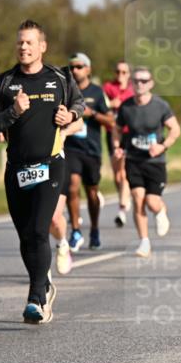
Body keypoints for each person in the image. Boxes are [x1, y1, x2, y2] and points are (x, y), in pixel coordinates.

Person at [0, 19, 84, 324]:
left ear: (42, 46)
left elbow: (79, 105)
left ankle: (35, 296)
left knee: (40, 230)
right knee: (26, 237)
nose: (23, 47)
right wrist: (13, 111)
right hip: (16, 170)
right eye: (20, 42)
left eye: (29, 42)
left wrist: (71, 115)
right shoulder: (4, 82)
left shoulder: (59, 78)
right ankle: (45, 286)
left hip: (50, 165)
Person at [113, 66, 180, 257]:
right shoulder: (126, 107)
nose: (139, 84)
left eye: (144, 81)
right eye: (136, 81)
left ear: (151, 83)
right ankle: (144, 242)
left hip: (155, 161)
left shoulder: (160, 106)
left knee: (152, 202)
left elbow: (175, 129)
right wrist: (118, 146)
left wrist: (163, 146)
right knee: (137, 199)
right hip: (133, 160)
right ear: (131, 83)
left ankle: (161, 211)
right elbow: (117, 129)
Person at [63, 52, 114, 252]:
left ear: (88, 69)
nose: (75, 70)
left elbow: (111, 121)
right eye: (72, 67)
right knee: (72, 187)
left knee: (92, 192)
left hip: (91, 150)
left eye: (79, 66)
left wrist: (91, 113)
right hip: (70, 147)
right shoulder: (65, 91)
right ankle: (75, 230)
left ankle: (94, 228)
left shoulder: (98, 92)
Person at [103, 61, 135, 227]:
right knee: (117, 175)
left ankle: (122, 209)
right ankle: (124, 196)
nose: (121, 75)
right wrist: (110, 104)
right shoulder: (108, 87)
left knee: (123, 173)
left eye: (124, 72)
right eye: (118, 72)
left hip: (128, 134)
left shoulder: (132, 91)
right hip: (112, 133)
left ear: (129, 74)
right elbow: (100, 107)